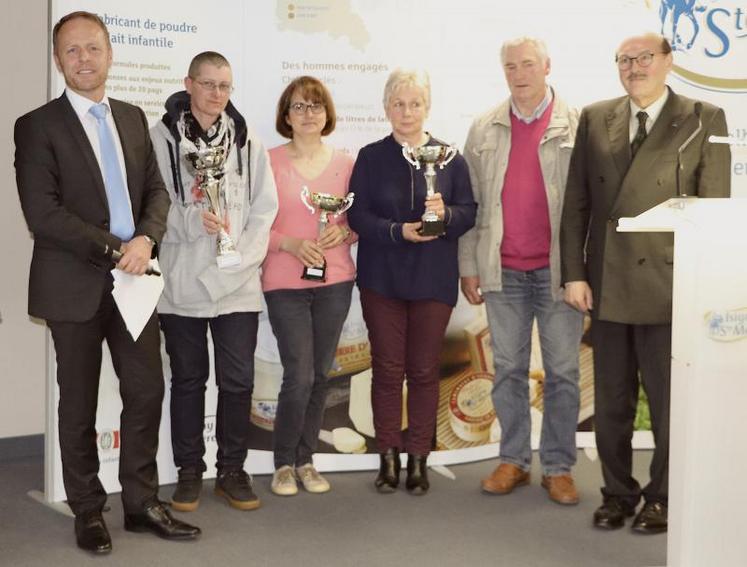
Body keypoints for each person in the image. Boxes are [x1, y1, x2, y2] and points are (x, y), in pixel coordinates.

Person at [13, 11, 200, 554]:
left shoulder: (133, 117)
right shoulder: (36, 125)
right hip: (73, 283)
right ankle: (88, 510)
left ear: (110, 53)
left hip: (136, 284)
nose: (84, 59)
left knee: (146, 391)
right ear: (58, 60)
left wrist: (145, 240)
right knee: (78, 402)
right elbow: (42, 214)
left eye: (92, 48)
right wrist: (119, 249)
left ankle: (141, 504)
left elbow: (156, 194)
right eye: (71, 51)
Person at [560, 33, 731, 533]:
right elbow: (576, 207)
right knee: (611, 404)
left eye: (644, 58)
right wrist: (574, 273)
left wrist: (704, 286)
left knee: (667, 404)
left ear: (667, 63)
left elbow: (713, 212)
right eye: (625, 60)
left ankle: (662, 496)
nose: (634, 67)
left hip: (670, 288)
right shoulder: (596, 116)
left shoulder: (703, 118)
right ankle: (617, 493)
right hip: (608, 285)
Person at [459, 37, 584, 505]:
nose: (520, 73)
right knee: (508, 370)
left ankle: (558, 466)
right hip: (503, 272)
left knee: (564, 373)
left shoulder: (578, 125)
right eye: (510, 65)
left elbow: (587, 205)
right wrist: (469, 267)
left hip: (558, 273)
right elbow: (471, 205)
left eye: (528, 64)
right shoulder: (483, 128)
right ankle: (513, 459)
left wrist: (581, 271)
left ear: (547, 66)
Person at [150, 52, 278, 512]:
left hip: (237, 284)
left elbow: (264, 212)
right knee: (188, 380)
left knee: (239, 382)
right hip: (182, 286)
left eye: (225, 86)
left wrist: (235, 262)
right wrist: (188, 221)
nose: (217, 95)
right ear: (189, 84)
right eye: (208, 85)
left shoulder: (247, 143)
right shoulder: (159, 140)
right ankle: (188, 473)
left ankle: (232, 470)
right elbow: (152, 205)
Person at [348, 69, 476, 495]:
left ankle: (419, 457)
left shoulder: (451, 158)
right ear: (387, 108)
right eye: (398, 104)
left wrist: (446, 215)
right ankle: (387, 457)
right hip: (382, 279)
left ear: (427, 107)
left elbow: (468, 212)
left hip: (433, 280)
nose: (406, 112)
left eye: (415, 103)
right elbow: (357, 216)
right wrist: (395, 230)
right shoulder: (369, 158)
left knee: (423, 371)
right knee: (386, 370)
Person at [262, 76, 355, 496]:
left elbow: (358, 220)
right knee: (298, 374)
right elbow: (251, 228)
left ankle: (306, 459)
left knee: (320, 375)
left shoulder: (347, 164)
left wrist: (347, 234)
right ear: (286, 115)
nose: (308, 114)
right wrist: (290, 243)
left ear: (327, 114)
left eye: (315, 106)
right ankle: (282, 462)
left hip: (335, 281)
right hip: (284, 282)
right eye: (298, 107)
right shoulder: (267, 162)